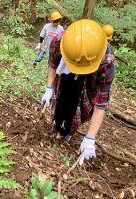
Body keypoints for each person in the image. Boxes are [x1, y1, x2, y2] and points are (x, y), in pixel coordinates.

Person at [41, 19, 115, 165]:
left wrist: (90, 138)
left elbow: (101, 101)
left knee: (80, 101)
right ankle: (58, 125)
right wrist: (49, 88)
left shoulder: (106, 60)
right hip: (66, 68)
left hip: (91, 75)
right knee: (63, 95)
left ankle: (69, 129)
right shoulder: (59, 41)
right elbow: (53, 63)